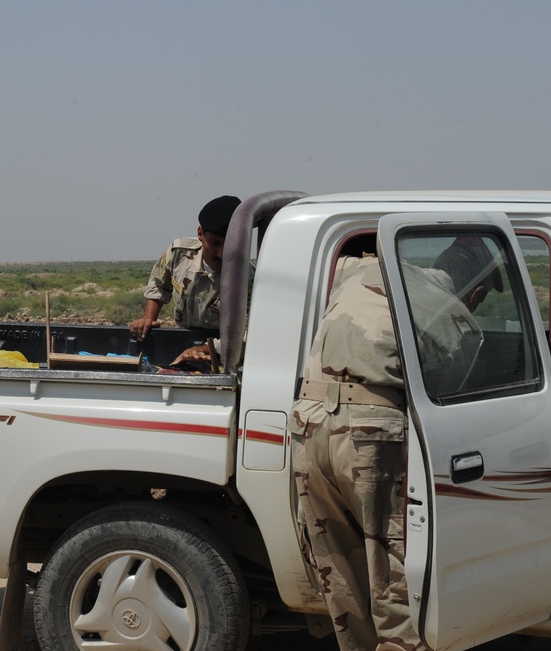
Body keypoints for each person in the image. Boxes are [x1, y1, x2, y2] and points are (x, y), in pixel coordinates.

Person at [289, 237, 503, 651]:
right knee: (390, 568)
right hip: (369, 434)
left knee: (338, 566)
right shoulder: (454, 318)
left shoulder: (365, 270)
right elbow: (444, 404)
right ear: (474, 291)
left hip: (308, 421)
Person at [129, 194, 244, 365]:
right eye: (215, 243)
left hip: (223, 354)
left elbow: (246, 335)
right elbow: (159, 283)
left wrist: (204, 349)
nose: (221, 253)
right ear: (200, 234)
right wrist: (148, 318)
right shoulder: (179, 253)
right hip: (182, 341)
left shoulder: (247, 279)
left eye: (229, 245)